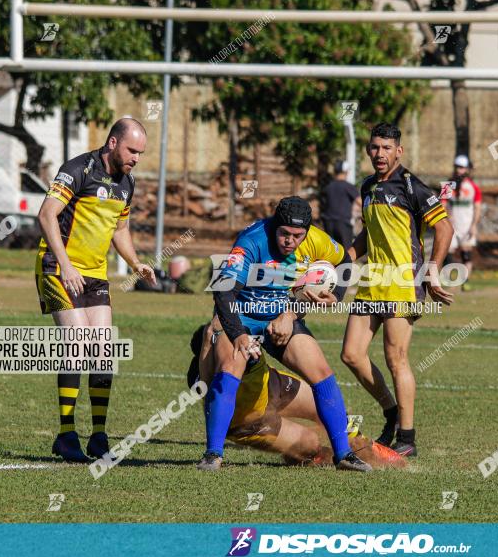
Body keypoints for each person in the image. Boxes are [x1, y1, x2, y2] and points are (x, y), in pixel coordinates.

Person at [199, 196, 372, 472]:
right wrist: (239, 335)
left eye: (297, 236)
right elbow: (222, 292)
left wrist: (335, 295)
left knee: (321, 370)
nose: (290, 241)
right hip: (240, 315)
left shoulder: (317, 239)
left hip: (282, 315)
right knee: (232, 364)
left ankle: (343, 455)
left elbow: (345, 263)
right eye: (284, 234)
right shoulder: (251, 241)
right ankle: (213, 455)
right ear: (274, 226)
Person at [36, 118, 156, 462]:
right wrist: (67, 265)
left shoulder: (126, 183)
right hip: (58, 267)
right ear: (113, 142)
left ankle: (99, 436)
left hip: (94, 274)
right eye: (133, 150)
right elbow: (46, 216)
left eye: (141, 153)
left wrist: (135, 263)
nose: (136, 158)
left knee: (102, 350)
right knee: (76, 342)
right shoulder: (78, 169)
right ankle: (66, 434)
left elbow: (120, 229)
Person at [340, 122, 454, 457]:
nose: (379, 154)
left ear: (399, 151)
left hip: (404, 283)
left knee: (396, 357)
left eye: (386, 148)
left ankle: (407, 438)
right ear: (368, 150)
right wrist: (345, 256)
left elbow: (445, 227)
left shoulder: (411, 186)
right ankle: (390, 412)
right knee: (351, 354)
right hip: (372, 281)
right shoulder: (367, 187)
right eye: (374, 147)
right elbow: (367, 234)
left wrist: (433, 269)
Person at [186, 317, 406, 469]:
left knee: (327, 405)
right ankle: (318, 457)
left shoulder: (239, 334)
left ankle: (366, 446)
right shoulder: (202, 374)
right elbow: (210, 398)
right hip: (251, 421)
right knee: (309, 444)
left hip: (274, 385)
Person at [444, 155, 482, 291]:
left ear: (467, 169)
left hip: (466, 226)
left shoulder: (473, 187)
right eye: (457, 167)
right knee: (447, 251)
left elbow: (477, 208)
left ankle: (465, 281)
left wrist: (474, 226)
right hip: (451, 226)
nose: (459, 170)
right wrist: (447, 218)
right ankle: (450, 280)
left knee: (466, 254)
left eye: (461, 167)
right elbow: (443, 205)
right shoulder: (448, 185)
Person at [320, 160, 360, 247]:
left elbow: (323, 205)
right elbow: (361, 202)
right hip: (343, 224)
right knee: (346, 252)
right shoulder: (348, 186)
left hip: (328, 223)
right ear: (346, 172)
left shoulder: (328, 187)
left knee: (331, 250)